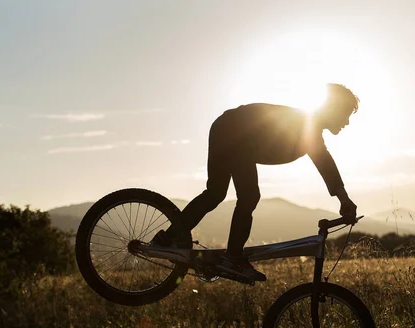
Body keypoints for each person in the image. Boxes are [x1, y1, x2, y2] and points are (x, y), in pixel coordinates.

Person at [152, 83, 359, 281]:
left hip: (226, 128)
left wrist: (344, 199)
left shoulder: (309, 126)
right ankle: (232, 257)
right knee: (249, 195)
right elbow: (325, 163)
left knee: (215, 194)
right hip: (232, 132)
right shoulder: (307, 125)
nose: (347, 122)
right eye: (345, 115)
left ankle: (167, 239)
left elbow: (324, 163)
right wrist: (344, 200)